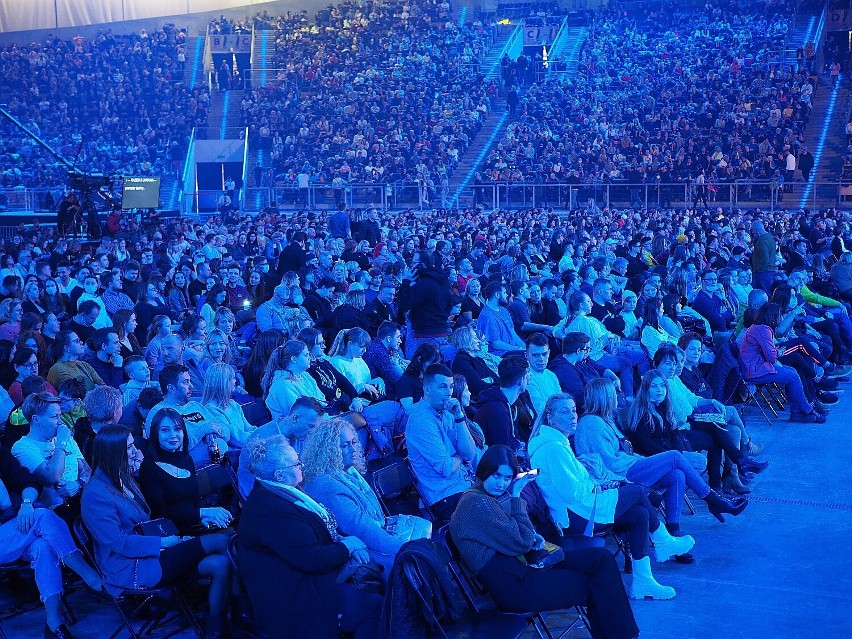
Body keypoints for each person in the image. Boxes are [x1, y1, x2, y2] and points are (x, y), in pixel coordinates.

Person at [449, 445, 639, 639]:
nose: (501, 483)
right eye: (497, 475)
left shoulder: (484, 498)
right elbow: (521, 540)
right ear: (484, 471)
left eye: (507, 478)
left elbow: (520, 535)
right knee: (594, 585)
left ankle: (626, 635)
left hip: (523, 567)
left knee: (602, 558)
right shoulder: (478, 503)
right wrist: (515, 496)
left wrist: (530, 537)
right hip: (514, 586)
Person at [528, 394, 694, 600]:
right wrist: (594, 484)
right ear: (550, 418)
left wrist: (595, 483)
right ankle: (663, 540)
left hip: (581, 508)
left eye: (573, 410)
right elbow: (572, 493)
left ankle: (644, 582)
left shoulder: (558, 443)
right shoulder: (552, 448)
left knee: (639, 514)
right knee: (637, 491)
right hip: (575, 517)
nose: (572, 416)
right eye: (564, 411)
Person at [81, 425, 232, 638]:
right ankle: (244, 607)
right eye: (130, 448)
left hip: (152, 550)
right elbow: (118, 543)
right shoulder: (95, 494)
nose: (136, 452)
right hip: (127, 564)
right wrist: (164, 543)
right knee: (222, 541)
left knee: (220, 564)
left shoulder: (123, 478)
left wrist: (173, 542)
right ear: (114, 453)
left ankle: (216, 628)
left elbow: (146, 522)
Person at [238, 435, 383, 639]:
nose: (301, 465)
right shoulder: (270, 510)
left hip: (303, 579)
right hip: (293, 598)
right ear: (279, 475)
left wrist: (345, 542)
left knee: (374, 581)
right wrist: (348, 545)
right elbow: (313, 559)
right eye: (296, 463)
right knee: (372, 606)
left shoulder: (278, 493)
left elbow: (319, 535)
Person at [575, 379, 747, 534]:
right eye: (613, 393)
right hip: (618, 477)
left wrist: (639, 459)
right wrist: (641, 460)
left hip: (628, 467)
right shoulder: (591, 424)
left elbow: (623, 451)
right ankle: (713, 500)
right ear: (604, 397)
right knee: (674, 457)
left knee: (676, 475)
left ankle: (673, 530)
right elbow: (609, 464)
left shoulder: (605, 419)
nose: (617, 396)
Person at [302, 418, 431, 575]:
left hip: (372, 534)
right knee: (419, 556)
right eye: (345, 445)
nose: (354, 449)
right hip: (361, 550)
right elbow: (360, 528)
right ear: (328, 450)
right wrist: (404, 549)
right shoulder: (327, 485)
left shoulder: (347, 470)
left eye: (354, 442)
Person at [138, 408, 233, 534]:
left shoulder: (186, 458)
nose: (173, 435)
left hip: (194, 523)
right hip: (172, 533)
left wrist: (203, 518)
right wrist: (202, 513)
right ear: (155, 434)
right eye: (165, 430)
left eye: (177, 429)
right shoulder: (148, 467)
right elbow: (160, 513)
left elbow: (195, 500)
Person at [406, 364, 479, 522]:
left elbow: (470, 453)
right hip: (444, 497)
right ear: (427, 390)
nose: (449, 393)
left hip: (464, 485)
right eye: (442, 387)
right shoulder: (420, 421)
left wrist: (459, 417)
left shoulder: (448, 412)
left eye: (451, 387)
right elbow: (446, 467)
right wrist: (460, 458)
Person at [740, 303, 825, 423]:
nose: (780, 318)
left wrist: (776, 351)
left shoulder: (758, 328)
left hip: (756, 366)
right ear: (772, 316)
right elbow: (772, 357)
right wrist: (778, 352)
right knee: (793, 376)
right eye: (779, 315)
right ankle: (807, 410)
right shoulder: (763, 330)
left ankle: (796, 412)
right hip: (755, 371)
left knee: (792, 371)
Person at [11, 393, 90, 514]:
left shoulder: (64, 437)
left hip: (82, 501)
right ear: (36, 419)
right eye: (54, 417)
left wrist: (78, 484)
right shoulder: (22, 447)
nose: (60, 422)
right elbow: (52, 476)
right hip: (56, 511)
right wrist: (61, 443)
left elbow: (87, 471)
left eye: (60, 416)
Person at [145, 364, 229, 468]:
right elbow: (171, 446)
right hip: (188, 471)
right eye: (186, 382)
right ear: (171, 388)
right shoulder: (160, 412)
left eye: (190, 381)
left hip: (218, 464)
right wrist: (202, 430)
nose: (191, 386)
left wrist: (214, 433)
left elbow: (226, 431)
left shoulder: (196, 406)